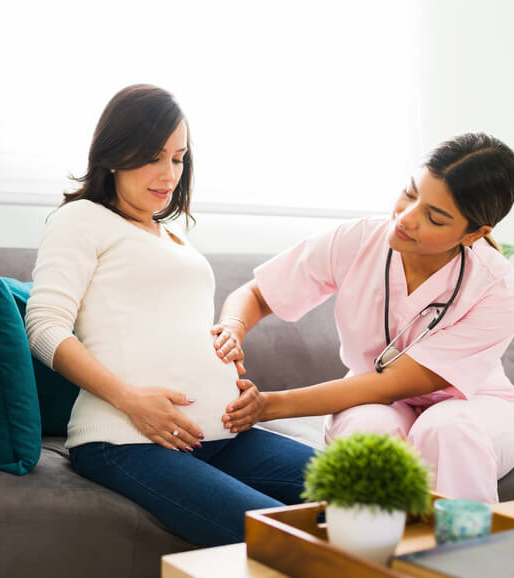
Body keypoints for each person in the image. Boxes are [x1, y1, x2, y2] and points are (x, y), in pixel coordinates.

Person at [24, 84, 315, 547]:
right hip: (127, 440)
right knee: (289, 538)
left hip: (225, 435)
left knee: (368, 495)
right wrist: (132, 400)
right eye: (152, 157)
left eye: (178, 158)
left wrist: (222, 345)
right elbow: (43, 328)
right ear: (115, 154)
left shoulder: (169, 235)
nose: (168, 174)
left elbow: (167, 325)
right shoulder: (82, 219)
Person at [213, 133, 514, 504]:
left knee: (446, 429)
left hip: (476, 404)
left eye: (435, 217)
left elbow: (394, 381)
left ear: (475, 233)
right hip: (373, 402)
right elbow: (254, 294)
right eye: (411, 194)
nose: (406, 219)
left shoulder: (498, 290)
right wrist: (232, 328)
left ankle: (461, 557)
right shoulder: (359, 239)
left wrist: (270, 404)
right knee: (367, 431)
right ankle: (372, 555)